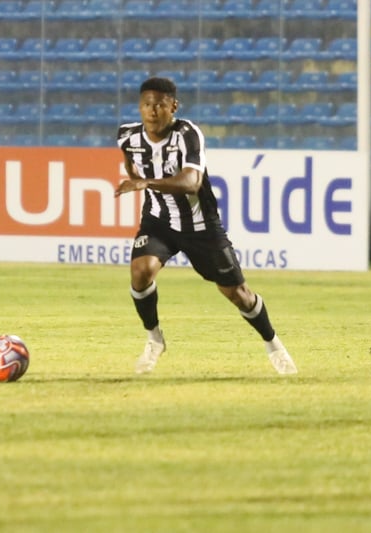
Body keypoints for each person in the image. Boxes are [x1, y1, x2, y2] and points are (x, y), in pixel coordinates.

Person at [114, 76, 297, 376]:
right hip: (158, 221)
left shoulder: (187, 134)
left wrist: (144, 182)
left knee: (238, 293)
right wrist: (138, 180)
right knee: (140, 271)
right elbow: (131, 163)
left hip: (200, 226)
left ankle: (273, 343)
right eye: (146, 104)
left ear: (173, 106)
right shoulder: (127, 136)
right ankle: (154, 339)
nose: (152, 111)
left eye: (159, 105)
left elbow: (191, 181)